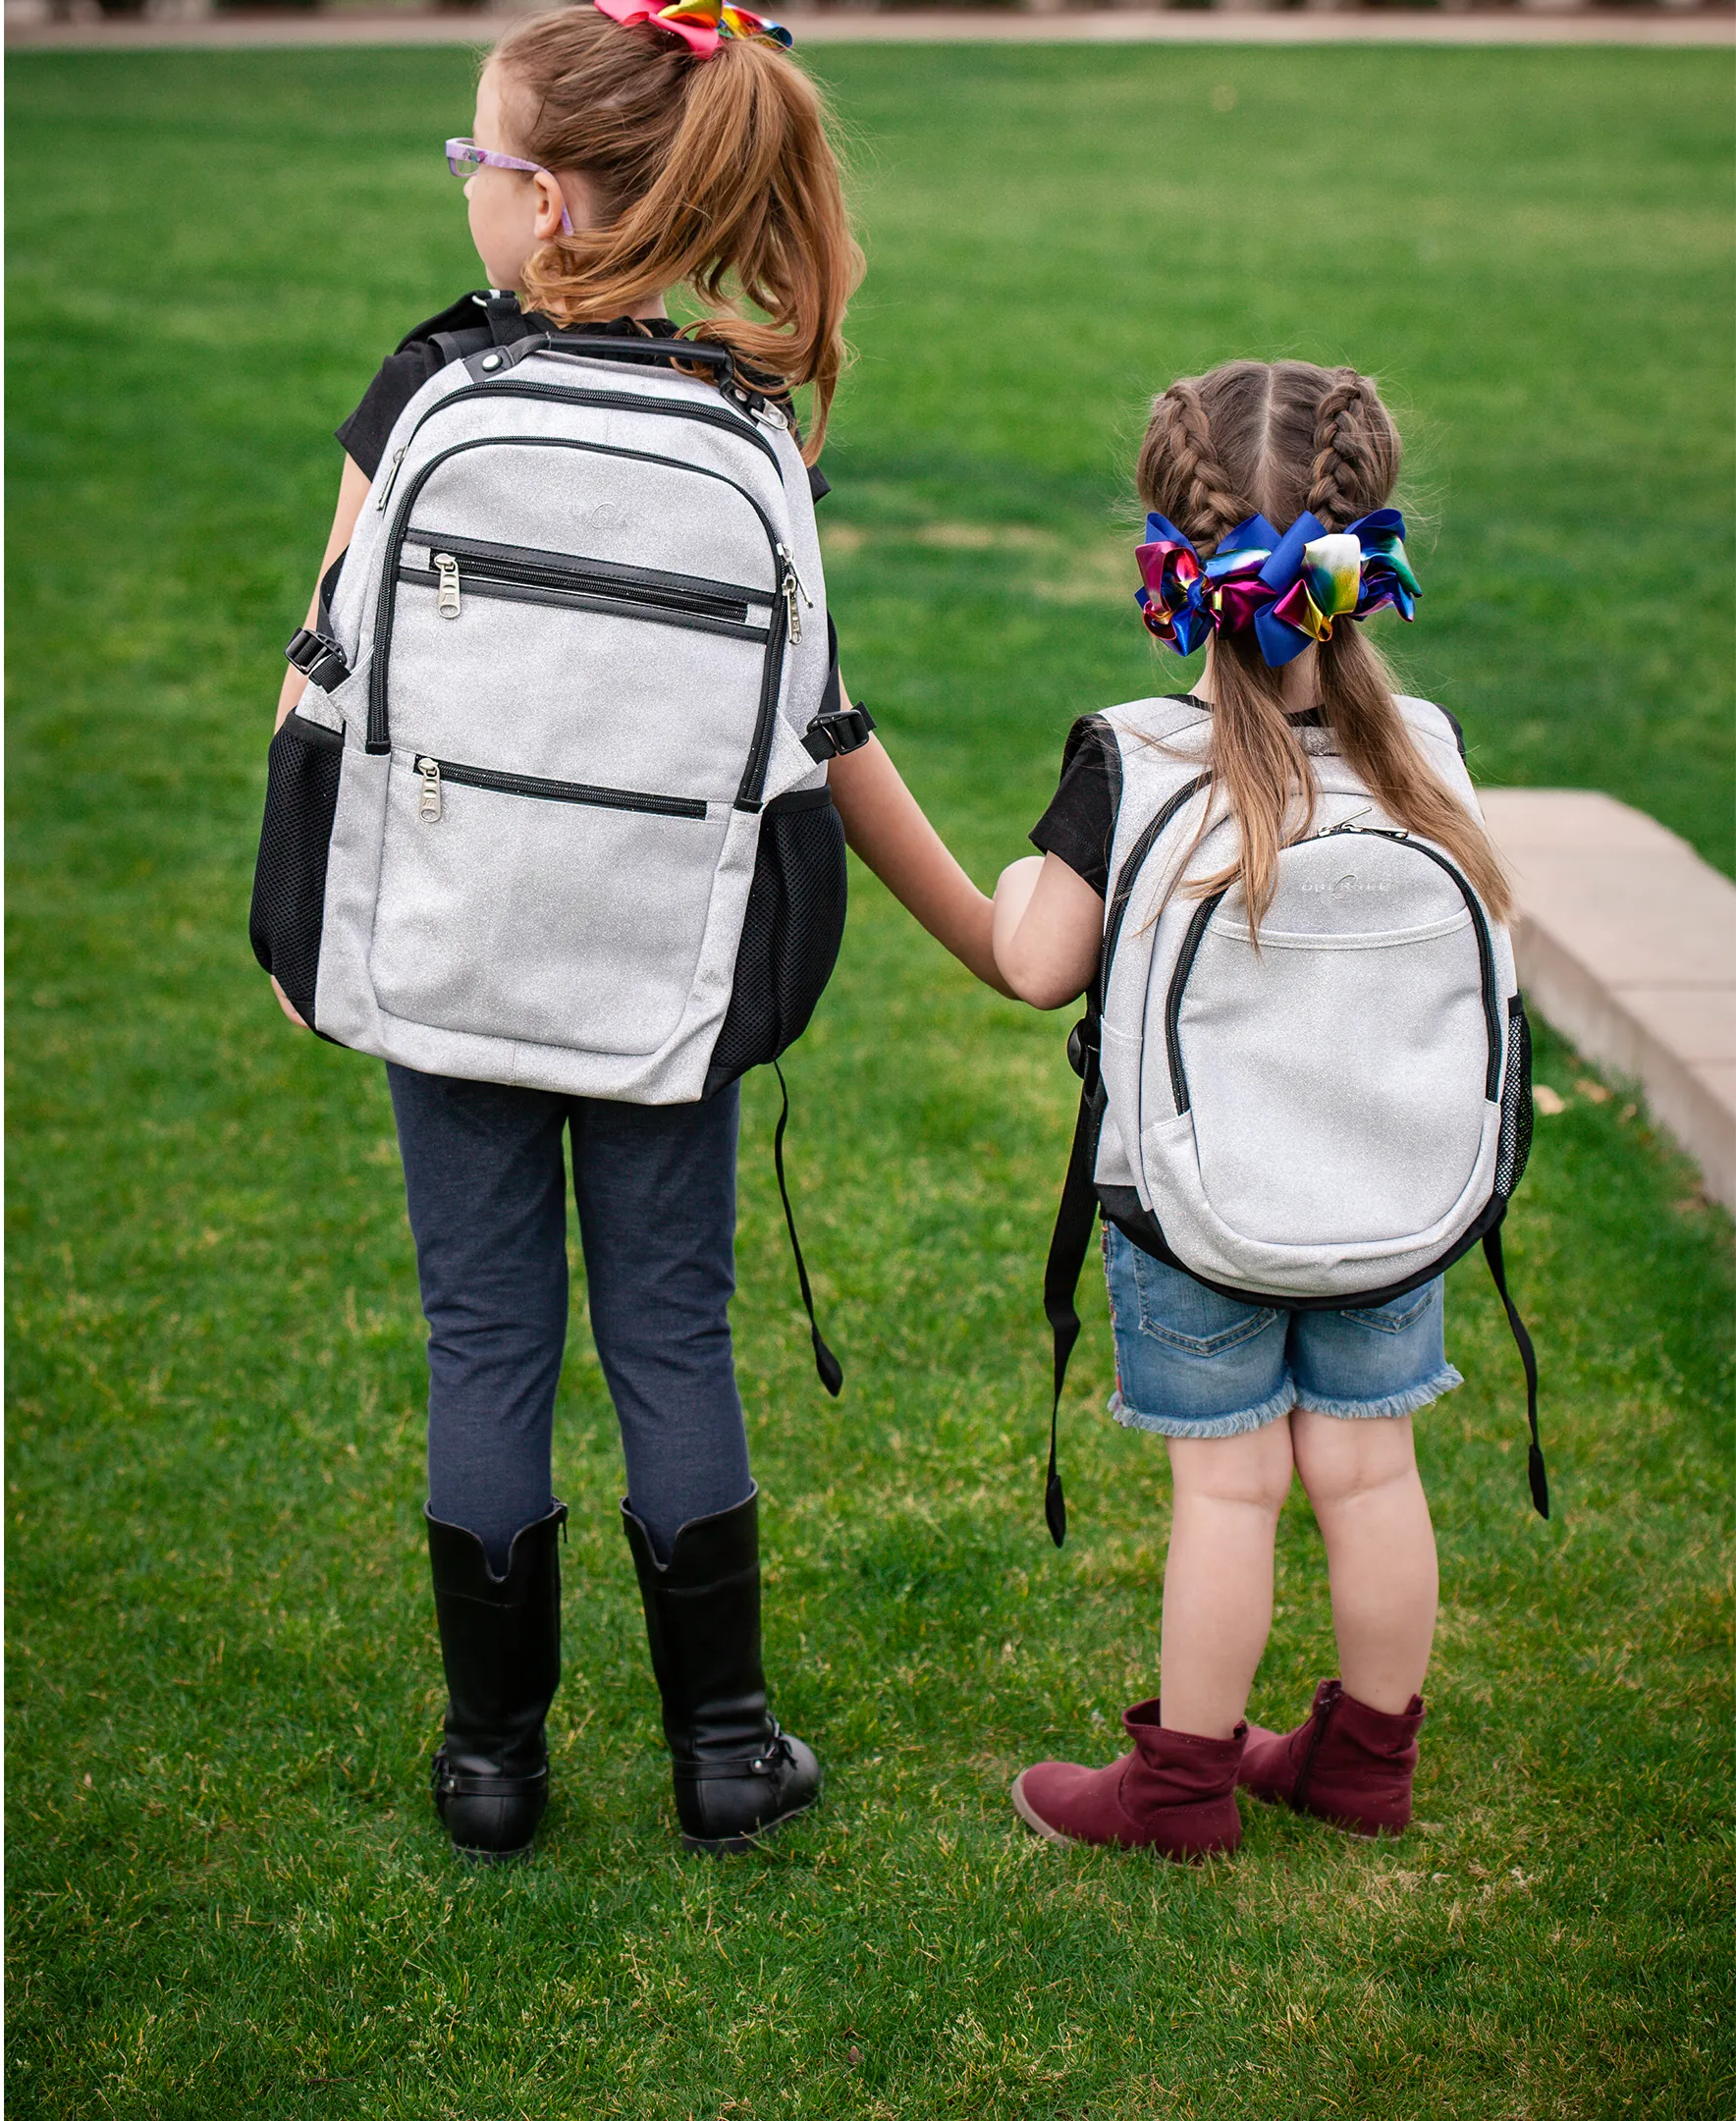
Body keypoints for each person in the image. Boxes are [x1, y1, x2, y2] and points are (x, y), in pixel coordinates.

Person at [270, 0, 1004, 1862]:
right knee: (676, 1341)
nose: (468, 194)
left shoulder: (423, 392)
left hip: (447, 955)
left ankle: (492, 1763)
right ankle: (726, 1751)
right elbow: (819, 729)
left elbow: (320, 681)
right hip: (664, 979)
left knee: (483, 1345)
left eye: (477, 161)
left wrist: (306, 925)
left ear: (555, 206)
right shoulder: (745, 422)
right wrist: (988, 931)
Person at [991, 360, 1515, 1859]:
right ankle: (1364, 1761)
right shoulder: (1434, 764)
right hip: (1396, 1207)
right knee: (1371, 1467)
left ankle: (1179, 1791)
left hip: (1196, 1213)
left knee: (1229, 1497)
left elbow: (1038, 958)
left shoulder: (1136, 760)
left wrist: (1034, 874)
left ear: (1170, 563)